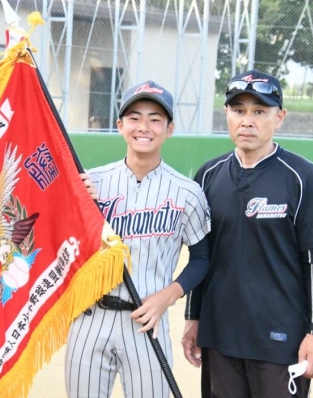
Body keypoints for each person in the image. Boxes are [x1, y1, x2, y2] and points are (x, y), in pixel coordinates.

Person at [182, 70, 313, 398]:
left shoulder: (302, 176)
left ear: (279, 117)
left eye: (259, 111)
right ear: (226, 114)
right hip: (220, 334)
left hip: (280, 338)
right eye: (238, 110)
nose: (247, 121)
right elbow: (202, 255)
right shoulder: (208, 175)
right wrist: (193, 317)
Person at [65, 81, 212, 398]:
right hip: (90, 318)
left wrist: (168, 296)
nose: (143, 127)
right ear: (120, 125)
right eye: (134, 117)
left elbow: (202, 258)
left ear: (169, 129)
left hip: (148, 320)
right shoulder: (91, 183)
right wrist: (76, 208)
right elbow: (64, 246)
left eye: (155, 119)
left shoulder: (187, 192)